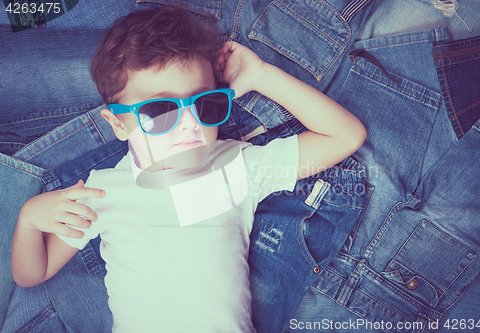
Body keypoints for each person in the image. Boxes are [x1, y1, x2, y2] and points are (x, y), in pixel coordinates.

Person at [9, 6, 366, 332]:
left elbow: (345, 136)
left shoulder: (238, 166)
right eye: (160, 112)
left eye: (205, 103)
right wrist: (28, 221)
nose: (189, 123)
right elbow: (32, 274)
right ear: (118, 125)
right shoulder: (101, 193)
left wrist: (261, 75)